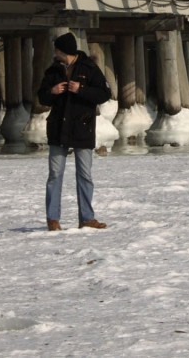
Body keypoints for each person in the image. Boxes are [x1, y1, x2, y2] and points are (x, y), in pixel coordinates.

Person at [38, 32, 113, 231]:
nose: (54, 52)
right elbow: (41, 96)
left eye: (57, 49)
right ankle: (52, 219)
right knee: (55, 174)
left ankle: (87, 218)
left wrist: (81, 89)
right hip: (58, 128)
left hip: (83, 127)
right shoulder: (53, 70)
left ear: (65, 51)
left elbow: (105, 93)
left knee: (85, 174)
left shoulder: (89, 68)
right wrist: (52, 92)